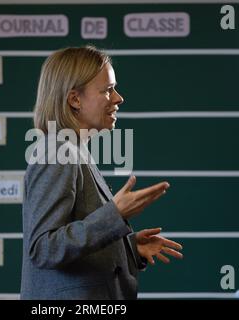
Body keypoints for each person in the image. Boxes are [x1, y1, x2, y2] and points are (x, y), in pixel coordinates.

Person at [20, 46, 183, 300]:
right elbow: (43, 248)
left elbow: (77, 234)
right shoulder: (57, 152)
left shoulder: (73, 150)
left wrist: (127, 248)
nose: (118, 98)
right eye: (107, 90)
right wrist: (115, 214)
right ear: (74, 99)